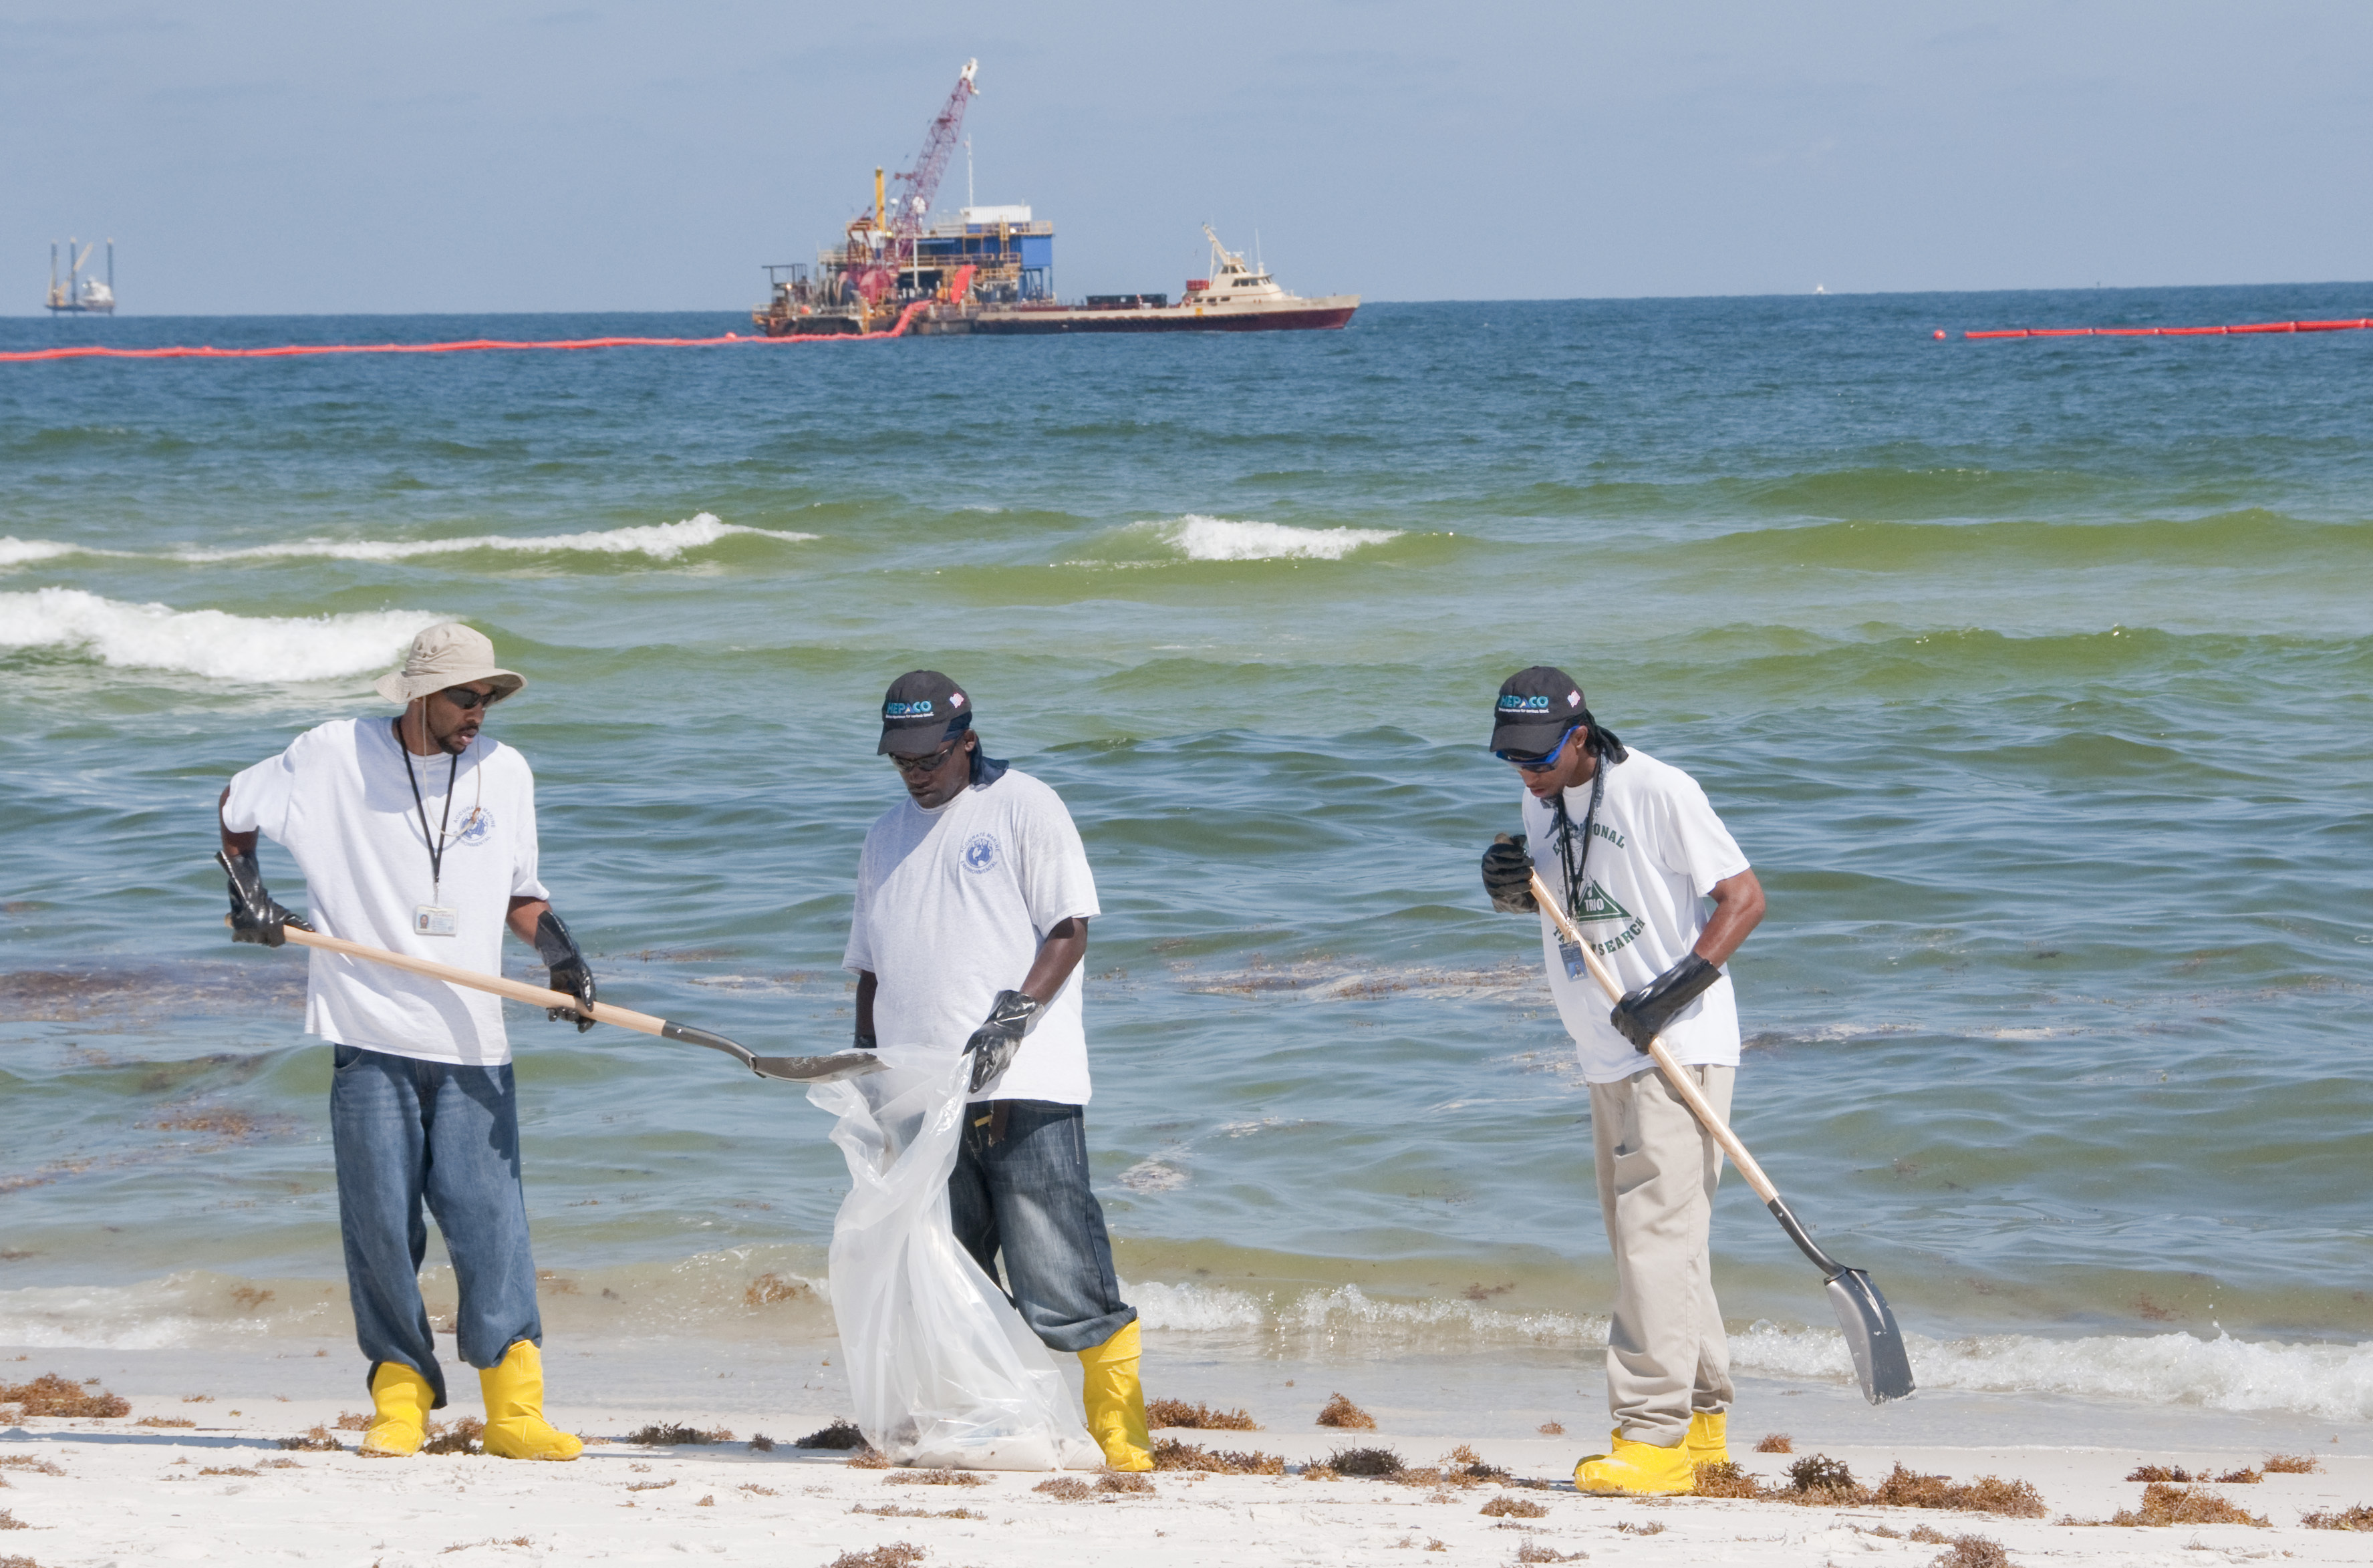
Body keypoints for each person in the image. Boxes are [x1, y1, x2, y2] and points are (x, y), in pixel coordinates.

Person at [214, 621, 594, 1462]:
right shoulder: (329, 756)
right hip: (367, 1031)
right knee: (381, 1228)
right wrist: (250, 896)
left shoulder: (507, 772)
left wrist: (562, 954)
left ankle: (513, 1408)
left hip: (473, 1039)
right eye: (467, 697)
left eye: (489, 697)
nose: (480, 713)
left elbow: (519, 893)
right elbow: (233, 809)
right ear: (420, 694)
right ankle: (401, 1395)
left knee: (492, 1228)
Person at [841, 671, 1150, 1472]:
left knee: (1060, 1269)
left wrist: (1011, 1019)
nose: (915, 770)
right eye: (901, 757)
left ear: (965, 741)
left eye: (929, 755)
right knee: (953, 1273)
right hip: (920, 1091)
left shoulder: (1024, 805)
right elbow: (871, 970)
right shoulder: (883, 835)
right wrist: (871, 1071)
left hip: (1025, 1082)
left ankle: (1119, 1429)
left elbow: (1067, 928)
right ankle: (988, 1425)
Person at [1478, 666, 1766, 1496]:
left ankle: (1651, 1439)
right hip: (1605, 1051)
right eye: (1513, 758)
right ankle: (1702, 1424)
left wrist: (1670, 992)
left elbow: (1742, 899)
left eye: (1539, 756)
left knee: (1653, 1240)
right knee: (1656, 1245)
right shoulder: (1541, 797)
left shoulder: (1659, 790)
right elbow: (1571, 904)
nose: (1526, 773)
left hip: (1676, 1047)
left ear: (1580, 735)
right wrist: (1508, 890)